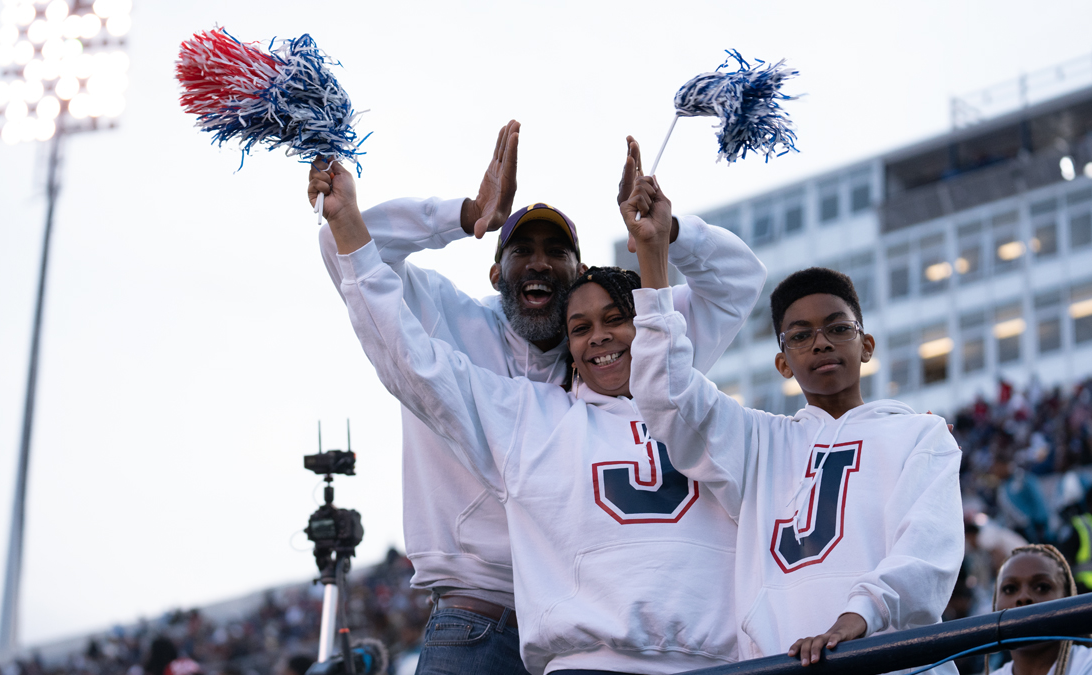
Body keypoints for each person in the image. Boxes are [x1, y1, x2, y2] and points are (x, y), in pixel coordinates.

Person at [308, 123, 765, 674]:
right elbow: (352, 250)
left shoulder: (644, 356)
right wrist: (464, 213)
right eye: (522, 249)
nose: (540, 263)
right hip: (482, 616)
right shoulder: (450, 323)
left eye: (558, 252)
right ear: (496, 269)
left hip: (605, 628)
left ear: (580, 274)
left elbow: (739, 280)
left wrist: (668, 234)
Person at [627, 184, 964, 671]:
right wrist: (656, 259)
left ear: (866, 344)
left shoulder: (920, 435)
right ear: (784, 364)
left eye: (837, 328)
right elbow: (665, 394)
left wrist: (859, 616)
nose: (821, 343)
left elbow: (927, 550)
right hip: (781, 662)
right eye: (801, 336)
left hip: (891, 659)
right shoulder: (758, 442)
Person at [987, 544, 1092, 675]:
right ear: (995, 605)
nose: (1023, 597)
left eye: (1042, 587)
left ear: (1067, 599)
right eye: (1009, 589)